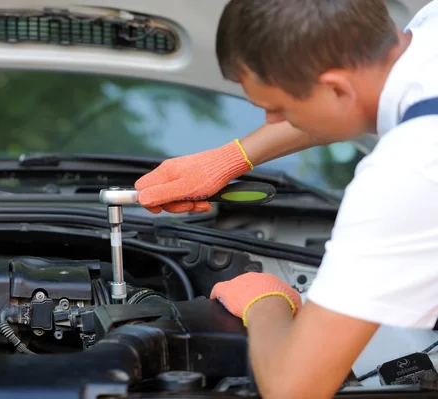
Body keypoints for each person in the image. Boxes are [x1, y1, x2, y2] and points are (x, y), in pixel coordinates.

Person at [134, 0, 438, 398]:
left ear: (334, 88)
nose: (274, 123)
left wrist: (264, 299)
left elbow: (294, 388)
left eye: (278, 109)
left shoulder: (408, 171)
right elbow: (356, 98)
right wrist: (228, 159)